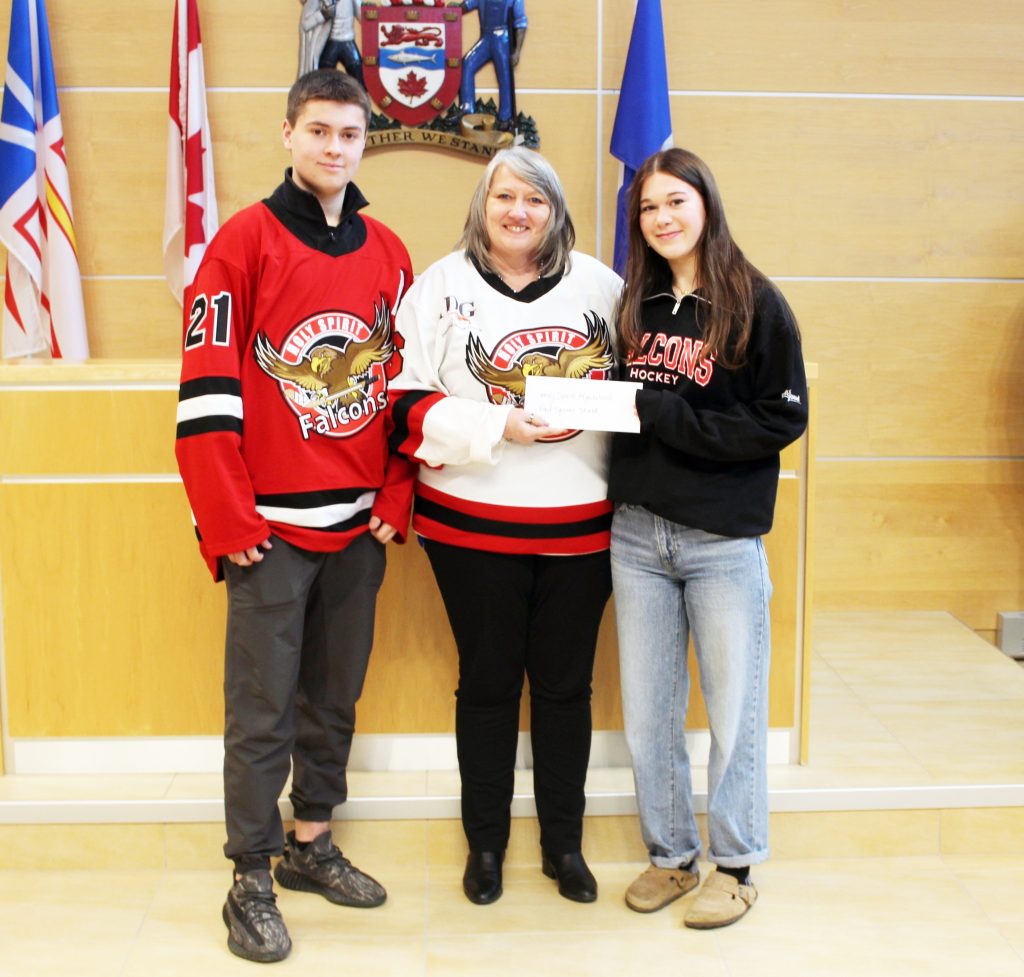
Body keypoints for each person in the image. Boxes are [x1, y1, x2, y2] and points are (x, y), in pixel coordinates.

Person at [174, 68, 413, 964]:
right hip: (267, 530)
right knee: (261, 708)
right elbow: (206, 393)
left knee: (333, 697)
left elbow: (407, 388)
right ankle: (250, 874)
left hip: (358, 527)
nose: (334, 147)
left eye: (349, 134)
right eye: (318, 130)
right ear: (288, 134)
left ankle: (310, 843)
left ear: (363, 142)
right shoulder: (239, 244)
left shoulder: (390, 251)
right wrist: (229, 519)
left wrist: (397, 492)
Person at [389, 147, 621, 905]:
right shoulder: (440, 285)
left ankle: (565, 845)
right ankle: (485, 845)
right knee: (487, 684)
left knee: (565, 687)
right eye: (505, 197)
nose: (519, 211)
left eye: (536, 199)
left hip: (581, 528)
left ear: (556, 211)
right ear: (482, 206)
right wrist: (496, 424)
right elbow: (401, 402)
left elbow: (641, 390)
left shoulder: (603, 287)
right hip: (470, 527)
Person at [608, 147, 808, 929]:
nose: (662, 217)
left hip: (721, 539)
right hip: (637, 536)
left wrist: (672, 418)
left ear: (706, 205)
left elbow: (779, 418)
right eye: (649, 207)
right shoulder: (636, 303)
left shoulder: (756, 301)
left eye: (675, 201)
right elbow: (623, 406)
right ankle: (670, 855)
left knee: (733, 709)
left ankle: (735, 864)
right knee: (649, 714)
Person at [459, 0, 527, 129]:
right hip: (486, 37)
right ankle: (467, 109)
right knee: (467, 64)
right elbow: (467, 5)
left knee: (505, 76)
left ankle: (505, 117)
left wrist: (517, 51)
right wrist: (455, 9)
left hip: (502, 39)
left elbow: (521, 22)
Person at [298, 0, 365, 86]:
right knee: (323, 80)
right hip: (330, 43)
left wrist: (368, 9)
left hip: (348, 42)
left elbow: (363, 18)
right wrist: (323, 14)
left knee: (359, 75)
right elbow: (305, 24)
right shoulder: (317, 1)